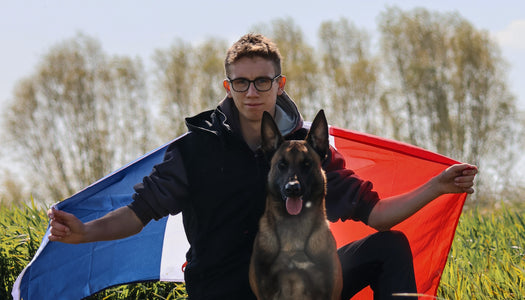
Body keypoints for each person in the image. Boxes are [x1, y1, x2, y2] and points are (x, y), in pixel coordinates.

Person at [47, 33, 477, 300]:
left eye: (262, 81)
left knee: (388, 247)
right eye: (241, 82)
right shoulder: (196, 151)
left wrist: (437, 187)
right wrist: (85, 232)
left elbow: (377, 215)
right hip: (225, 288)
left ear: (280, 83)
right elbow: (138, 213)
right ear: (228, 86)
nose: (252, 92)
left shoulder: (310, 152)